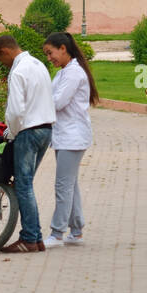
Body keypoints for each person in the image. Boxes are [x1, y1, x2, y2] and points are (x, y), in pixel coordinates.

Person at [0, 34, 56, 253]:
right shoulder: (38, 65)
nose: (4, 64)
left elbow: (16, 110)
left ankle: (29, 237)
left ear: (5, 52)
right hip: (46, 129)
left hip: (28, 132)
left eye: (1, 60)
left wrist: (11, 132)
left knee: (23, 184)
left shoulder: (18, 71)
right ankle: (36, 238)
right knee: (25, 184)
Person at [42, 32, 98, 248]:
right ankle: (76, 231)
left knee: (63, 185)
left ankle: (57, 233)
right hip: (65, 136)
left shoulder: (74, 73)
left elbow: (58, 102)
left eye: (51, 52)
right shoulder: (65, 72)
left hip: (72, 138)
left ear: (63, 48)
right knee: (70, 185)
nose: (50, 58)